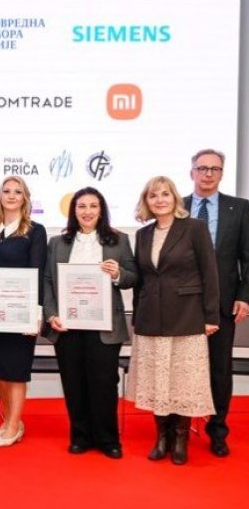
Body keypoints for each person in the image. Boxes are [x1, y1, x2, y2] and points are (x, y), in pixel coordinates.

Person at [129, 176, 218, 465]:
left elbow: (210, 273)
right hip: (150, 320)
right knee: (158, 381)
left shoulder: (194, 228)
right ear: (147, 202)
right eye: (153, 195)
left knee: (182, 381)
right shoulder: (142, 234)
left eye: (165, 194)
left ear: (175, 198)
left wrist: (211, 316)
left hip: (187, 317)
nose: (160, 200)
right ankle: (162, 437)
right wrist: (137, 316)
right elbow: (141, 280)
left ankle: (180, 439)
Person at [43, 187, 137, 459]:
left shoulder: (119, 240)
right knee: (74, 383)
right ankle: (80, 437)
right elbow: (47, 281)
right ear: (73, 211)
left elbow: (133, 277)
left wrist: (118, 273)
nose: (87, 211)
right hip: (67, 325)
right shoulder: (57, 243)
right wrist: (51, 314)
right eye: (81, 206)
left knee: (104, 383)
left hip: (104, 326)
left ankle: (108, 440)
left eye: (93, 206)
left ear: (101, 210)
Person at [183, 149, 249, 457]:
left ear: (222, 173)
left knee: (220, 370)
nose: (208, 174)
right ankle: (180, 428)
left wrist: (244, 296)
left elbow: (247, 258)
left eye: (215, 169)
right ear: (192, 172)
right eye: (202, 168)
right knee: (182, 368)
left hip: (222, 303)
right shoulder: (177, 206)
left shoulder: (240, 208)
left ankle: (217, 430)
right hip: (182, 303)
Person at [0, 175, 47, 448]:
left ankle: (15, 425)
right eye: (6, 191)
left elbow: (37, 272)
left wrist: (36, 314)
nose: (11, 195)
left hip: (20, 311)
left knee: (16, 370)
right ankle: (10, 421)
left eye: (17, 192)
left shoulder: (35, 231)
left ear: (25, 198)